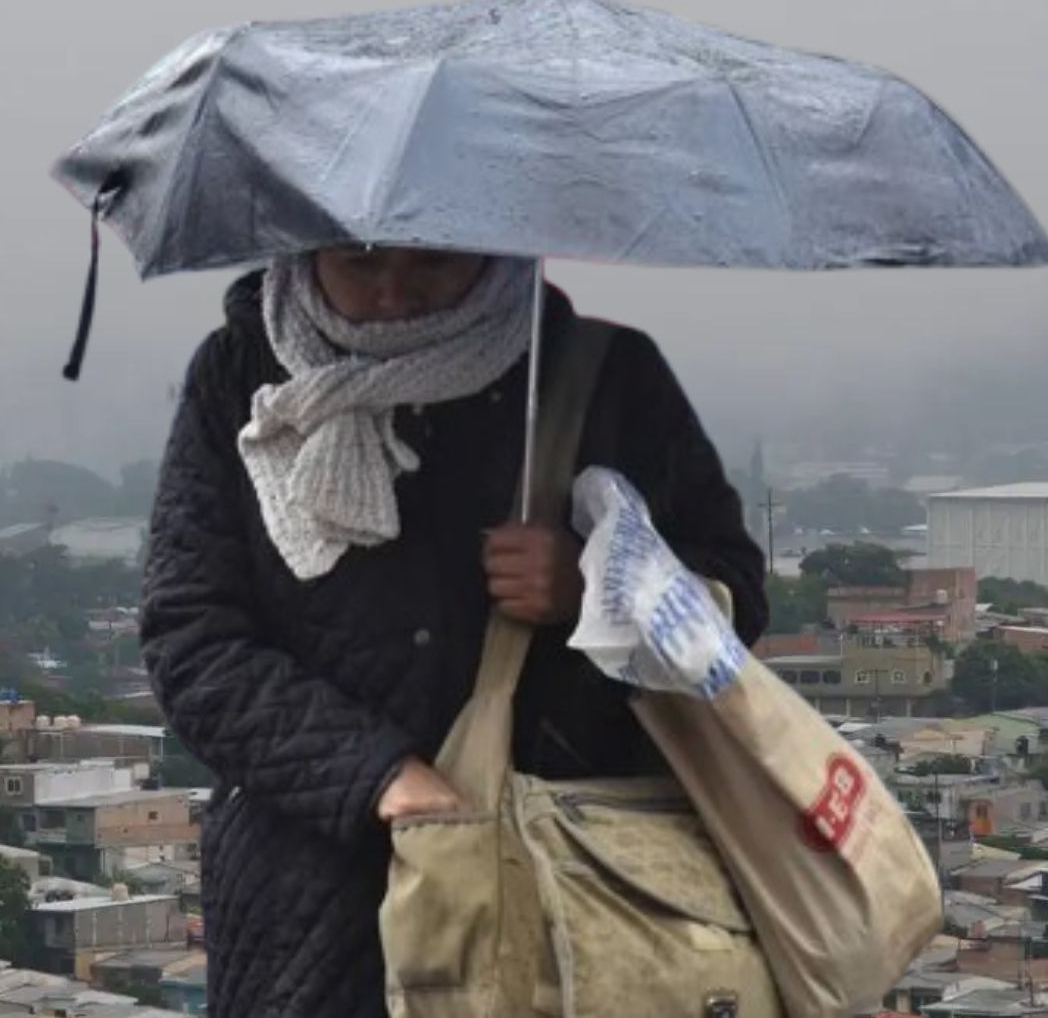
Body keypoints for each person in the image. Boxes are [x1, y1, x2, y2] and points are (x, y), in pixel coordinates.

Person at [141, 246, 765, 1018]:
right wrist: (371, 772)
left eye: (432, 264)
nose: (394, 294)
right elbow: (191, 641)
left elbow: (733, 599)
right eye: (360, 264)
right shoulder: (243, 377)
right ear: (303, 246)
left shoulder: (599, 374)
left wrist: (591, 587)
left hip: (570, 899)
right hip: (312, 916)